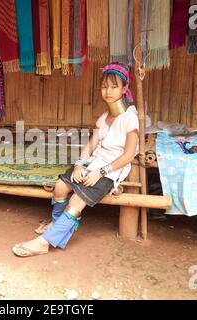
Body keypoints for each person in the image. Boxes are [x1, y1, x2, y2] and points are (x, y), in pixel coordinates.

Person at [12, 62, 140, 257]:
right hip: (95, 162)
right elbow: (90, 145)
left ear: (125, 89)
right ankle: (57, 225)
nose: (108, 91)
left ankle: (44, 242)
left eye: (114, 86)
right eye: (104, 86)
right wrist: (80, 165)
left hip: (112, 169)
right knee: (60, 187)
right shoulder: (104, 117)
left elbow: (129, 155)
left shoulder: (130, 118)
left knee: (77, 200)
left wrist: (101, 172)